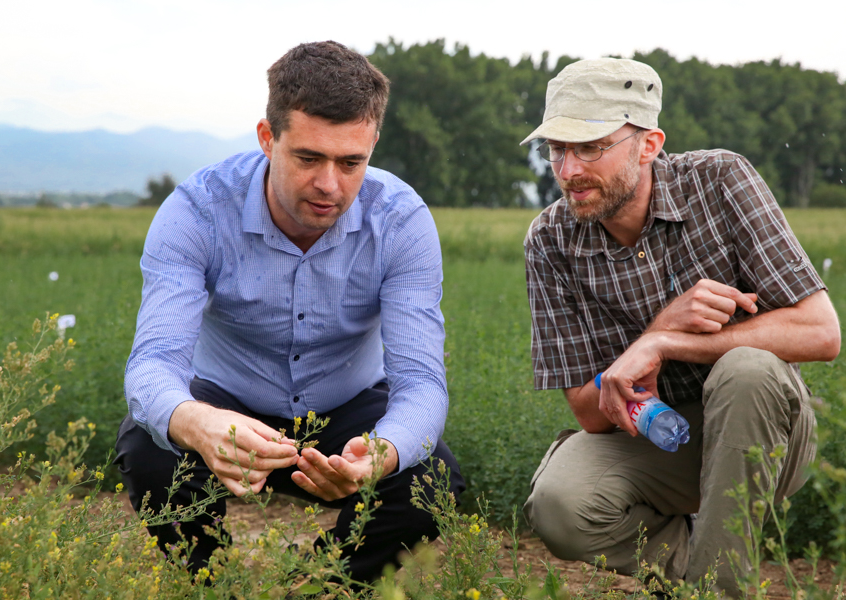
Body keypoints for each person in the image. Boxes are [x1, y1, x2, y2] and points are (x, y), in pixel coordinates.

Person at [115, 40, 464, 585]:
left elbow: (422, 384)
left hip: (346, 405)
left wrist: (383, 452)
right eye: (308, 158)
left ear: (373, 144)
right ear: (266, 139)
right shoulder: (197, 211)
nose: (330, 185)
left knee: (432, 476)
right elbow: (152, 366)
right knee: (149, 445)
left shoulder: (401, 220)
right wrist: (199, 422)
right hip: (226, 397)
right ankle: (211, 582)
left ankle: (327, 585)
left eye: (352, 162)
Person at [519, 57, 840, 595]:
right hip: (660, 441)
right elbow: (587, 412)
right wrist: (657, 330)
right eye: (557, 149)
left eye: (591, 147)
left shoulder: (720, 180)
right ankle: (703, 568)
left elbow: (821, 333)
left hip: (765, 432)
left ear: (648, 145)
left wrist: (669, 343)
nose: (569, 170)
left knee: (746, 370)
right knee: (560, 504)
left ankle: (721, 592)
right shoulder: (550, 241)